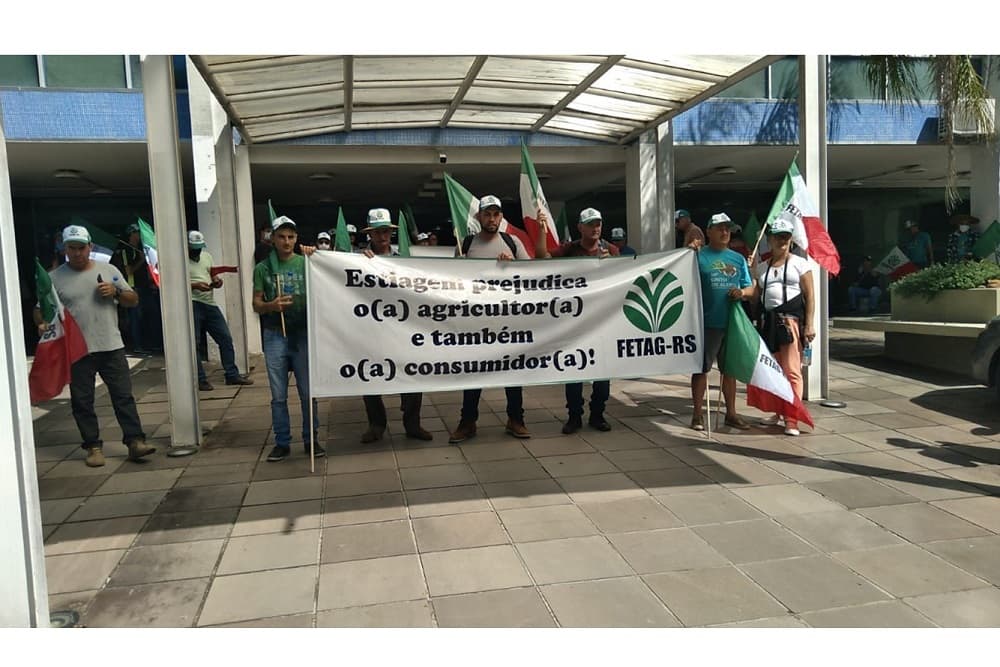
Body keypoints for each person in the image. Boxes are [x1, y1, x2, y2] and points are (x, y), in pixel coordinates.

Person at [35, 225, 155, 467]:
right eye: (72, 248)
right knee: (82, 400)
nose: (77, 253)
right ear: (65, 249)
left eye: (82, 248)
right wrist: (42, 323)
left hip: (111, 345)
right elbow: (40, 310)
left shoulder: (109, 270)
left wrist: (116, 292)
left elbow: (133, 300)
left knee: (123, 397)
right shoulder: (54, 278)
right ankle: (92, 446)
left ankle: (135, 442)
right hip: (77, 350)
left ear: (90, 247)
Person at [448, 195, 532, 444]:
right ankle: (468, 421)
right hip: (476, 324)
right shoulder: (466, 244)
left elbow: (533, 276)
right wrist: (459, 268)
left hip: (508, 322)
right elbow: (452, 284)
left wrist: (513, 266)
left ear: (501, 217)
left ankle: (516, 419)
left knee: (512, 374)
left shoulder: (511, 242)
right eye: (487, 214)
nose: (492, 218)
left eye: (496, 214)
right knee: (474, 375)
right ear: (479, 217)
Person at [535, 207, 619, 434]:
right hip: (574, 323)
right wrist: (541, 230)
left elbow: (623, 278)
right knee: (574, 372)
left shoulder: (610, 249)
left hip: (601, 322)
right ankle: (574, 416)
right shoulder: (569, 249)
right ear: (580, 227)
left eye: (598, 224)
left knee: (602, 374)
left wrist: (612, 263)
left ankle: (598, 414)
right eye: (590, 224)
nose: (595, 228)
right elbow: (541, 258)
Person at [355, 208, 433, 443]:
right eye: (378, 232)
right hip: (371, 328)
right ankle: (376, 425)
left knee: (411, 373)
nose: (382, 237)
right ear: (370, 234)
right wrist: (361, 263)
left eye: (386, 231)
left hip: (401, 328)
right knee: (369, 375)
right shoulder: (358, 261)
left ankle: (412, 424)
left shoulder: (402, 261)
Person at [252, 215, 324, 462]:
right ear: (272, 238)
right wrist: (271, 306)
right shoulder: (263, 268)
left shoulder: (306, 262)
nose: (286, 241)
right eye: (281, 236)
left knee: (308, 392)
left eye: (291, 237)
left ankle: (311, 439)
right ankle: (282, 442)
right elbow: (256, 303)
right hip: (275, 335)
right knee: (278, 395)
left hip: (302, 333)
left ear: (296, 239)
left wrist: (316, 255)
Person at [688, 213, 753, 432]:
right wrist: (688, 250)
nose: (725, 232)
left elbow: (751, 288)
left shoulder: (738, 259)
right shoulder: (697, 257)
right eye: (719, 228)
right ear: (708, 232)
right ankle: (697, 414)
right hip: (706, 323)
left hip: (732, 323)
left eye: (728, 228)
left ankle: (731, 413)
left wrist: (742, 292)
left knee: (730, 370)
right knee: (701, 369)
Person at [751, 217, 815, 436]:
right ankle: (778, 412)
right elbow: (754, 296)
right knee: (773, 370)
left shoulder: (800, 264)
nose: (782, 241)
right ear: (769, 240)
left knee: (792, 372)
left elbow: (810, 296)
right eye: (778, 237)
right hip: (768, 324)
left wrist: (810, 325)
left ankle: (792, 418)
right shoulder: (760, 268)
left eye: (786, 237)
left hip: (790, 322)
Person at [188, 230, 254, 391]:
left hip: (209, 302)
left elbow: (212, 275)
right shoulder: (179, 259)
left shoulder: (207, 256)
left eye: (199, 248)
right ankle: (200, 379)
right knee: (193, 343)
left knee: (225, 338)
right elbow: (173, 283)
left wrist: (216, 282)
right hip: (192, 302)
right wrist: (195, 285)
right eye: (193, 248)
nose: (197, 251)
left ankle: (232, 374)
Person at [110, 222, 148, 354]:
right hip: (131, 287)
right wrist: (141, 260)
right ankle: (137, 346)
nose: (139, 236)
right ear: (132, 234)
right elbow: (129, 271)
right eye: (137, 233)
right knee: (135, 318)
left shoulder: (140, 249)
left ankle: (145, 344)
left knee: (143, 316)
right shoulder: (125, 251)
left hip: (143, 287)